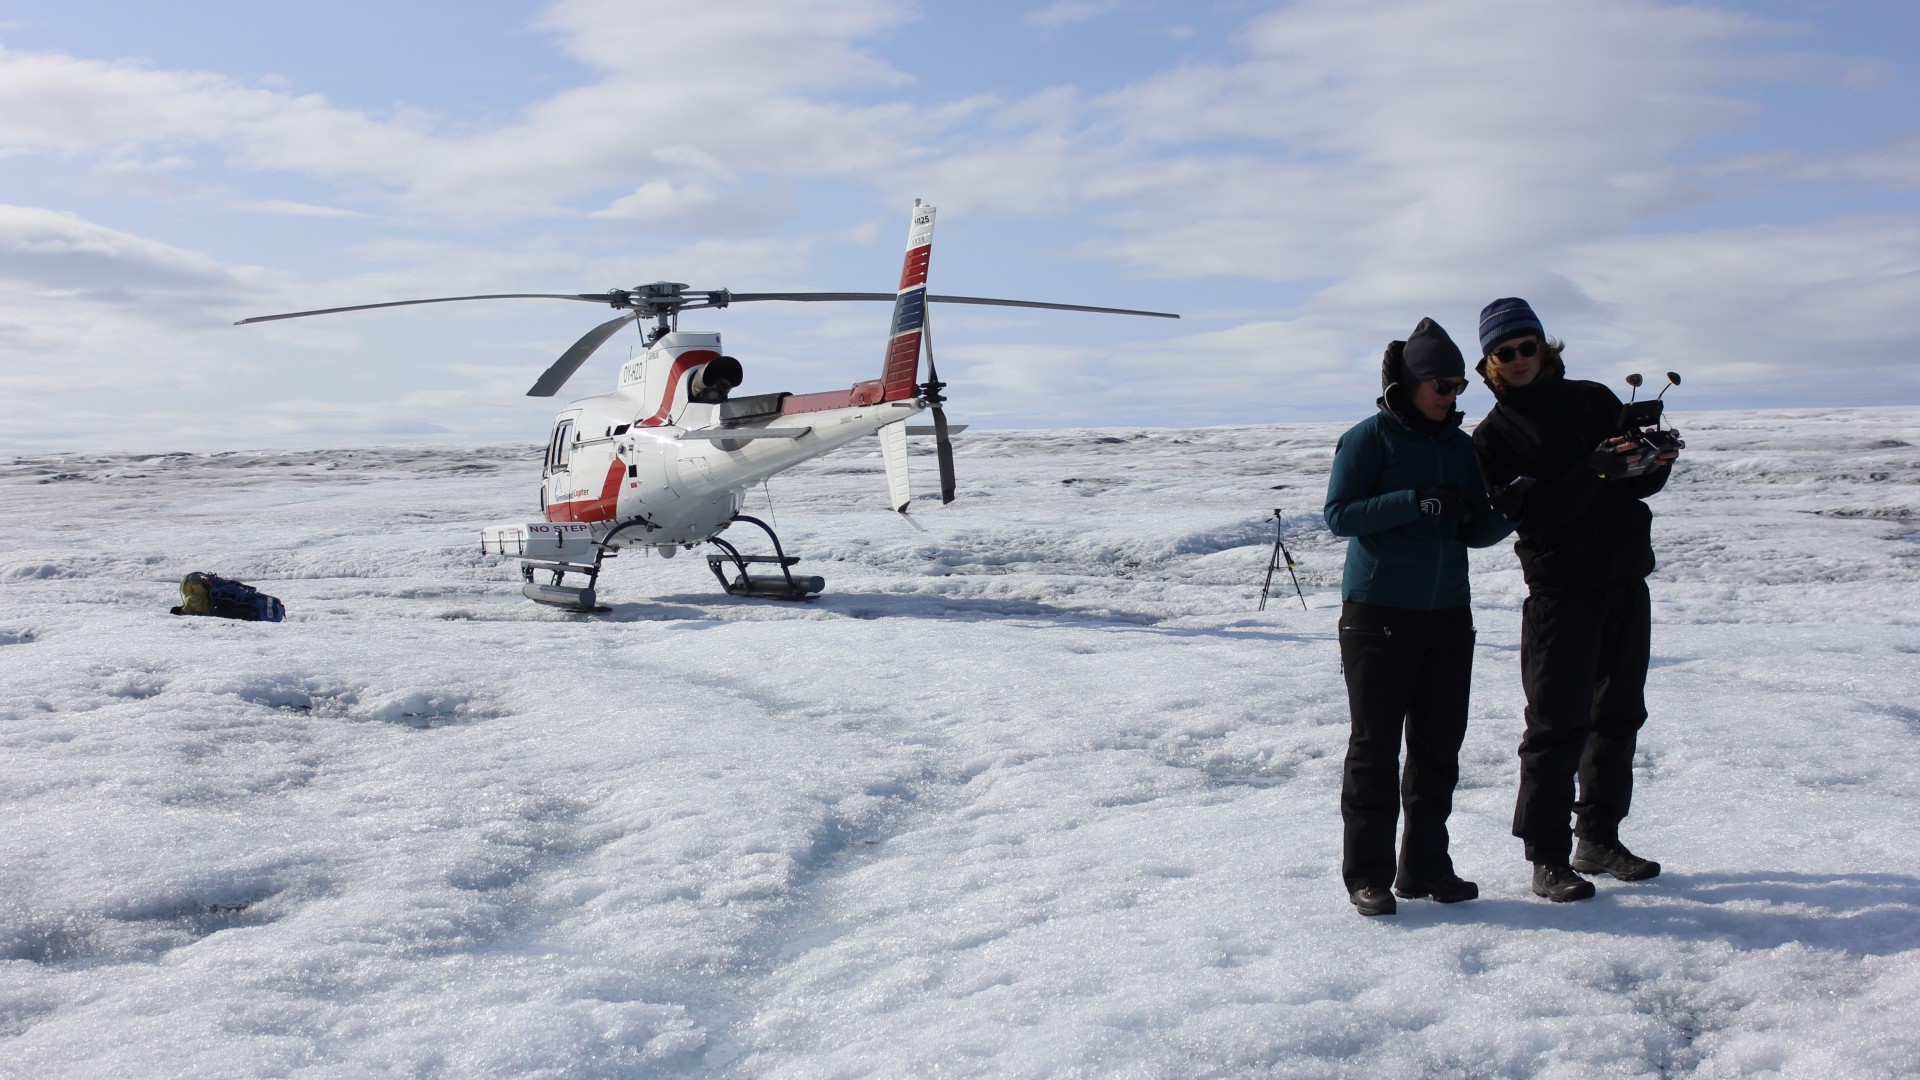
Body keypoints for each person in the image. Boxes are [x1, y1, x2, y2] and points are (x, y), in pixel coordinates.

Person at [1469, 297, 1681, 903]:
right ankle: (1548, 857)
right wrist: (1590, 471)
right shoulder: (1492, 439)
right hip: (1561, 594)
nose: (1518, 359)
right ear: (1490, 363)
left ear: (1544, 346)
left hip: (1622, 581)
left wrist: (1656, 463)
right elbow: (1531, 517)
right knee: (1556, 726)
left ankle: (1600, 837)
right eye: (1504, 353)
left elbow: (1632, 480)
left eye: (1526, 346)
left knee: (1618, 716)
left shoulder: (1592, 399)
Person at [1324, 318, 1514, 917]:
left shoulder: (1461, 448)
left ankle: (1426, 867)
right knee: (1375, 750)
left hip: (1447, 617)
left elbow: (1475, 530)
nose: (1452, 395)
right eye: (1441, 383)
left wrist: (1511, 508)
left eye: (1460, 385)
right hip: (1377, 615)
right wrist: (1411, 500)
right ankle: (1369, 877)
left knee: (1437, 750)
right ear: (1408, 383)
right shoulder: (1368, 439)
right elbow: (1339, 516)